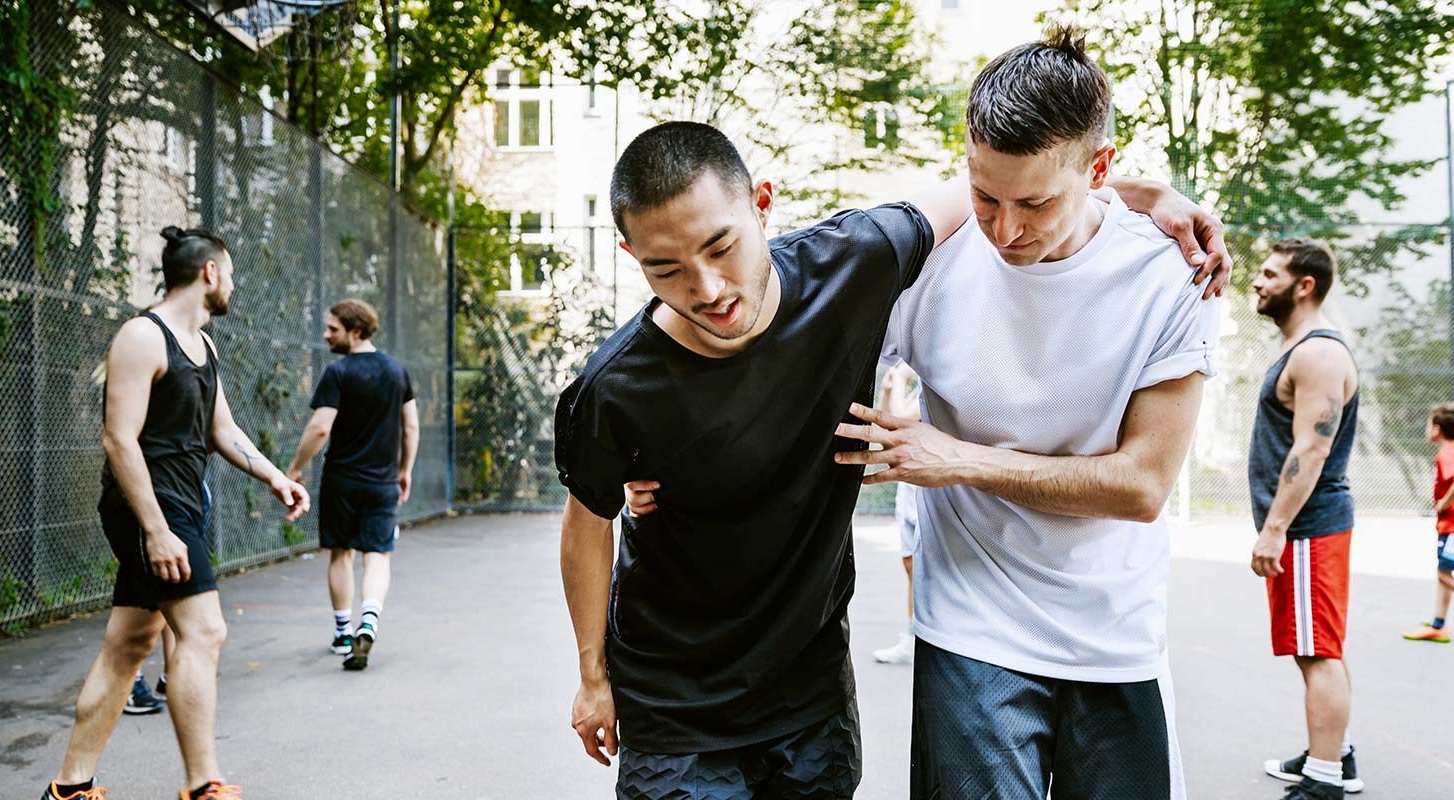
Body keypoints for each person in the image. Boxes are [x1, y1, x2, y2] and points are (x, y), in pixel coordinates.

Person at [558, 116, 1227, 797]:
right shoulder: (614, 388)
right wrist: (592, 677)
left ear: (761, 206)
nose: (705, 288)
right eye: (664, 269)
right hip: (677, 709)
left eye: (720, 248)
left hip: (806, 696)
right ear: (629, 252)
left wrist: (1141, 192)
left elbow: (1004, 177)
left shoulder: (858, 260)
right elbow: (586, 521)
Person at [836, 28, 1220, 799]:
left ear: (1100, 171)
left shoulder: (1172, 273)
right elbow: (789, 345)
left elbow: (1142, 485)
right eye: (985, 194)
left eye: (1036, 202)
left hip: (1115, 633)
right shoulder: (930, 264)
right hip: (969, 627)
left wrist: (960, 461)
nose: (1004, 230)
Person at [40, 227, 310, 800]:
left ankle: (69, 789)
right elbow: (119, 440)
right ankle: (201, 785)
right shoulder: (143, 336)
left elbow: (222, 430)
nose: (232, 284)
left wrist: (275, 477)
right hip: (152, 508)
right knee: (204, 631)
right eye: (230, 272)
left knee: (129, 644)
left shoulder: (202, 345)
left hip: (179, 504)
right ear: (209, 272)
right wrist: (157, 530)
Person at [1246, 238, 1363, 798]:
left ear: (1304, 285)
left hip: (1307, 526)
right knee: (1313, 648)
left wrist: (1274, 530)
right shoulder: (1304, 350)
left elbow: (1310, 450)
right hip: (1307, 527)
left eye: (1269, 274)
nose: (1257, 282)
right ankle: (1333, 753)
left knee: (1318, 652)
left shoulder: (1317, 354)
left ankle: (1324, 780)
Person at [287, 299, 419, 672]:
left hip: (342, 480)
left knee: (340, 553)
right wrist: (404, 469)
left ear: (355, 332)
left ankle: (344, 633)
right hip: (382, 481)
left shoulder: (339, 372)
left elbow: (320, 427)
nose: (326, 334)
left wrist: (294, 468)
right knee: (377, 554)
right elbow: (410, 426)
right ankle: (369, 621)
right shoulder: (397, 372)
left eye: (333, 328)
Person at [871, 364, 923, 666]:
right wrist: (891, 387)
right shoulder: (917, 387)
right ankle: (911, 636)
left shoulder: (932, 388)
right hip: (909, 488)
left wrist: (900, 378)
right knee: (909, 563)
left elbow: (901, 419)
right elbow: (889, 425)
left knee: (921, 566)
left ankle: (918, 637)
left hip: (929, 488)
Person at [1403, 402, 1454, 644]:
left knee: (1444, 573)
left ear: (1437, 429)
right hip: (1447, 525)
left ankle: (1438, 625)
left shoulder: (1447, 453)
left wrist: (1445, 501)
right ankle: (1438, 625)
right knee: (1443, 572)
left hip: (1452, 526)